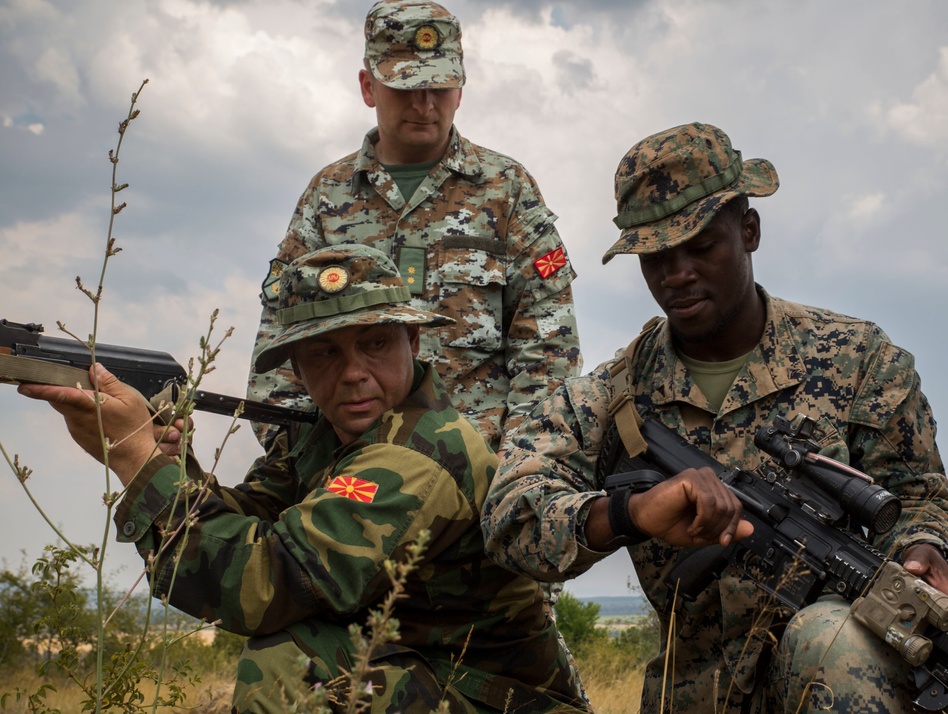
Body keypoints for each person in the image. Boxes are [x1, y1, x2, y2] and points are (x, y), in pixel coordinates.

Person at [481, 122, 948, 713]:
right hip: (696, 697)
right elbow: (510, 515)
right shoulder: (612, 397)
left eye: (702, 247)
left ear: (750, 230)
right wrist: (631, 513)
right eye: (655, 256)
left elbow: (916, 496)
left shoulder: (859, 361)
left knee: (830, 639)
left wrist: (924, 545)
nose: (677, 273)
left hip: (849, 683)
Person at [20, 244, 588, 714]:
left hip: (494, 699)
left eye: (375, 343)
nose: (354, 374)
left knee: (288, 668)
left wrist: (137, 462)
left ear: (413, 344)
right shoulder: (327, 434)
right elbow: (248, 522)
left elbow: (262, 586)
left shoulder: (416, 455)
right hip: (422, 674)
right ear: (296, 369)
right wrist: (171, 466)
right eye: (324, 354)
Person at [245, 0, 581, 454]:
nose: (425, 105)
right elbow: (280, 350)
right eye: (407, 87)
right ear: (368, 86)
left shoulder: (508, 191)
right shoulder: (327, 197)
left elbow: (548, 351)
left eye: (440, 88)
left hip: (476, 474)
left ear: (460, 90)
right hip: (346, 481)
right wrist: (310, 467)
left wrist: (511, 474)